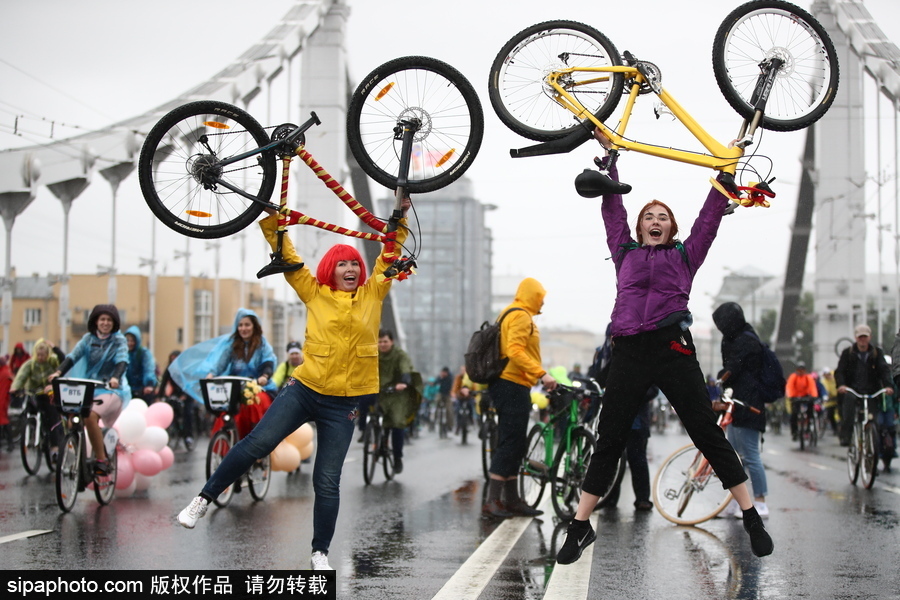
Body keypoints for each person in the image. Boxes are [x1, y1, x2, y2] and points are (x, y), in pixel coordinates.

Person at [556, 134, 773, 564]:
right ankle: (580, 527)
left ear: (672, 228)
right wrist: (610, 161)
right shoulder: (624, 252)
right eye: (649, 217)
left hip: (672, 347)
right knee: (610, 437)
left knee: (705, 432)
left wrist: (726, 169)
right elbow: (612, 207)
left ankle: (751, 517)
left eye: (663, 218)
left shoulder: (686, 256)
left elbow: (710, 218)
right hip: (630, 352)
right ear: (639, 229)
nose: (655, 221)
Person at [177, 194, 410, 571]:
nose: (350, 268)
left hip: (343, 403)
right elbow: (291, 259)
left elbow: (389, 251)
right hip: (305, 390)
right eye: (342, 264)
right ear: (330, 271)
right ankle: (203, 499)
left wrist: (400, 213)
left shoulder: (373, 293)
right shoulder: (314, 293)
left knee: (327, 480)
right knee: (259, 443)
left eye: (354, 263)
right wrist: (273, 222)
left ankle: (319, 553)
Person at [482, 277, 557, 519]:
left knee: (515, 442)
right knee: (510, 442)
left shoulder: (512, 313)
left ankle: (512, 499)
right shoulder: (521, 316)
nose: (543, 301)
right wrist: (541, 373)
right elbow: (514, 350)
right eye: (540, 296)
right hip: (511, 384)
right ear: (532, 295)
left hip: (513, 384)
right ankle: (493, 500)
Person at [48, 304, 131, 474]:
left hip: (110, 389)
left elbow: (122, 360)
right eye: (102, 319)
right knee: (71, 418)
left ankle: (101, 460)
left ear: (114, 323)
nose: (105, 323)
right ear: (95, 321)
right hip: (88, 387)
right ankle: (75, 453)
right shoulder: (87, 339)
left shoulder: (118, 340)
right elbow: (73, 356)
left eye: (109, 320)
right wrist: (58, 372)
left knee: (90, 416)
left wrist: (115, 377)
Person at [172, 309, 277, 441]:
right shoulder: (231, 345)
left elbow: (268, 362)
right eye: (240, 325)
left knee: (254, 404)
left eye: (247, 325)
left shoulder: (263, 345)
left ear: (254, 327)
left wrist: (264, 377)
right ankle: (225, 445)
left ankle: (258, 442)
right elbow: (219, 364)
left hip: (259, 387)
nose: (243, 328)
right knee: (223, 410)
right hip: (236, 387)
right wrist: (211, 375)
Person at [712, 302, 772, 518]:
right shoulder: (734, 339)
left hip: (750, 405)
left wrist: (722, 377)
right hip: (735, 403)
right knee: (737, 458)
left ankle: (761, 502)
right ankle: (741, 502)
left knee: (751, 456)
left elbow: (733, 367)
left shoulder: (747, 340)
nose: (721, 328)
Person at [835, 324, 894, 446]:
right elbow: (840, 371)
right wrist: (842, 385)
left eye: (865, 337)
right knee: (849, 413)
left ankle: (872, 446)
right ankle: (847, 435)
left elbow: (884, 371)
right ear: (856, 338)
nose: (863, 339)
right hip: (852, 390)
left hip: (871, 392)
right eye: (860, 337)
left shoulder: (877, 353)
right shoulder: (848, 353)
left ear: (870, 337)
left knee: (874, 420)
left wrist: (888, 386)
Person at [602, 385, 655, 511]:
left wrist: (631, 393)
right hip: (614, 421)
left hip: (636, 423)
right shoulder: (607, 365)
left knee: (638, 460)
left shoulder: (646, 366)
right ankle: (610, 497)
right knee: (612, 460)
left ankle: (642, 499)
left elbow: (653, 389)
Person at [376, 329, 420, 474]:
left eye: (385, 341)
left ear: (392, 342)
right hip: (379, 391)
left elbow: (405, 368)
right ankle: (370, 434)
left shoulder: (400, 355)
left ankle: (397, 458)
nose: (382, 344)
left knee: (397, 422)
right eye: (380, 341)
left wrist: (404, 380)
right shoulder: (374, 355)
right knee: (369, 411)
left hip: (397, 393)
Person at [10, 339, 62, 457]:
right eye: (38, 355)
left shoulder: (53, 361)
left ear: (47, 354)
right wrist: (15, 387)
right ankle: (30, 428)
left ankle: (55, 447)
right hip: (34, 393)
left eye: (43, 355)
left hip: (49, 394)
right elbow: (21, 376)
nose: (40, 357)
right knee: (29, 409)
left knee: (52, 418)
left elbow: (62, 363)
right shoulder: (31, 364)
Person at [157, 350, 194, 451]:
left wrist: (185, 395)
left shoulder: (185, 369)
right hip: (175, 394)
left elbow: (189, 383)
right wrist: (160, 396)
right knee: (171, 410)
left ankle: (188, 437)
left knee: (187, 414)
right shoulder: (169, 370)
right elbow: (163, 382)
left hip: (186, 394)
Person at [124, 325, 158, 403]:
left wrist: (149, 384)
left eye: (132, 341)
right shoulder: (123, 353)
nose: (129, 343)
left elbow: (148, 368)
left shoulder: (143, 353)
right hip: (127, 389)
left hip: (142, 389)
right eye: (127, 340)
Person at [785, 362, 817, 441]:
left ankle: (809, 427)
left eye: (802, 370)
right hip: (795, 397)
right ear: (797, 370)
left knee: (810, 411)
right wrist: (790, 396)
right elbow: (789, 387)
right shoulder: (793, 377)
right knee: (794, 414)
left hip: (806, 396)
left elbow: (812, 387)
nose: (801, 371)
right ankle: (794, 432)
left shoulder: (808, 377)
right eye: (799, 370)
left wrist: (813, 396)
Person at [436, 366, 455, 434]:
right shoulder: (439, 377)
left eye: (444, 373)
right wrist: (440, 378)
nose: (443, 373)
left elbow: (452, 386)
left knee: (449, 410)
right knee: (436, 403)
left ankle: (450, 425)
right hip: (441, 394)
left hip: (448, 395)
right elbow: (436, 383)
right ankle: (434, 418)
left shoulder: (450, 378)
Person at [820, 369, 839, 435]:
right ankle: (835, 429)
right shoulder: (824, 381)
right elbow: (825, 390)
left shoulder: (835, 377)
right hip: (830, 401)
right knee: (830, 415)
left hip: (838, 398)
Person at [0, 357, 12, 452]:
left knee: (4, 421)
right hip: (3, 399)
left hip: (2, 400)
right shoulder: (5, 372)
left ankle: (10, 443)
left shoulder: (4, 373)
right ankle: (9, 443)